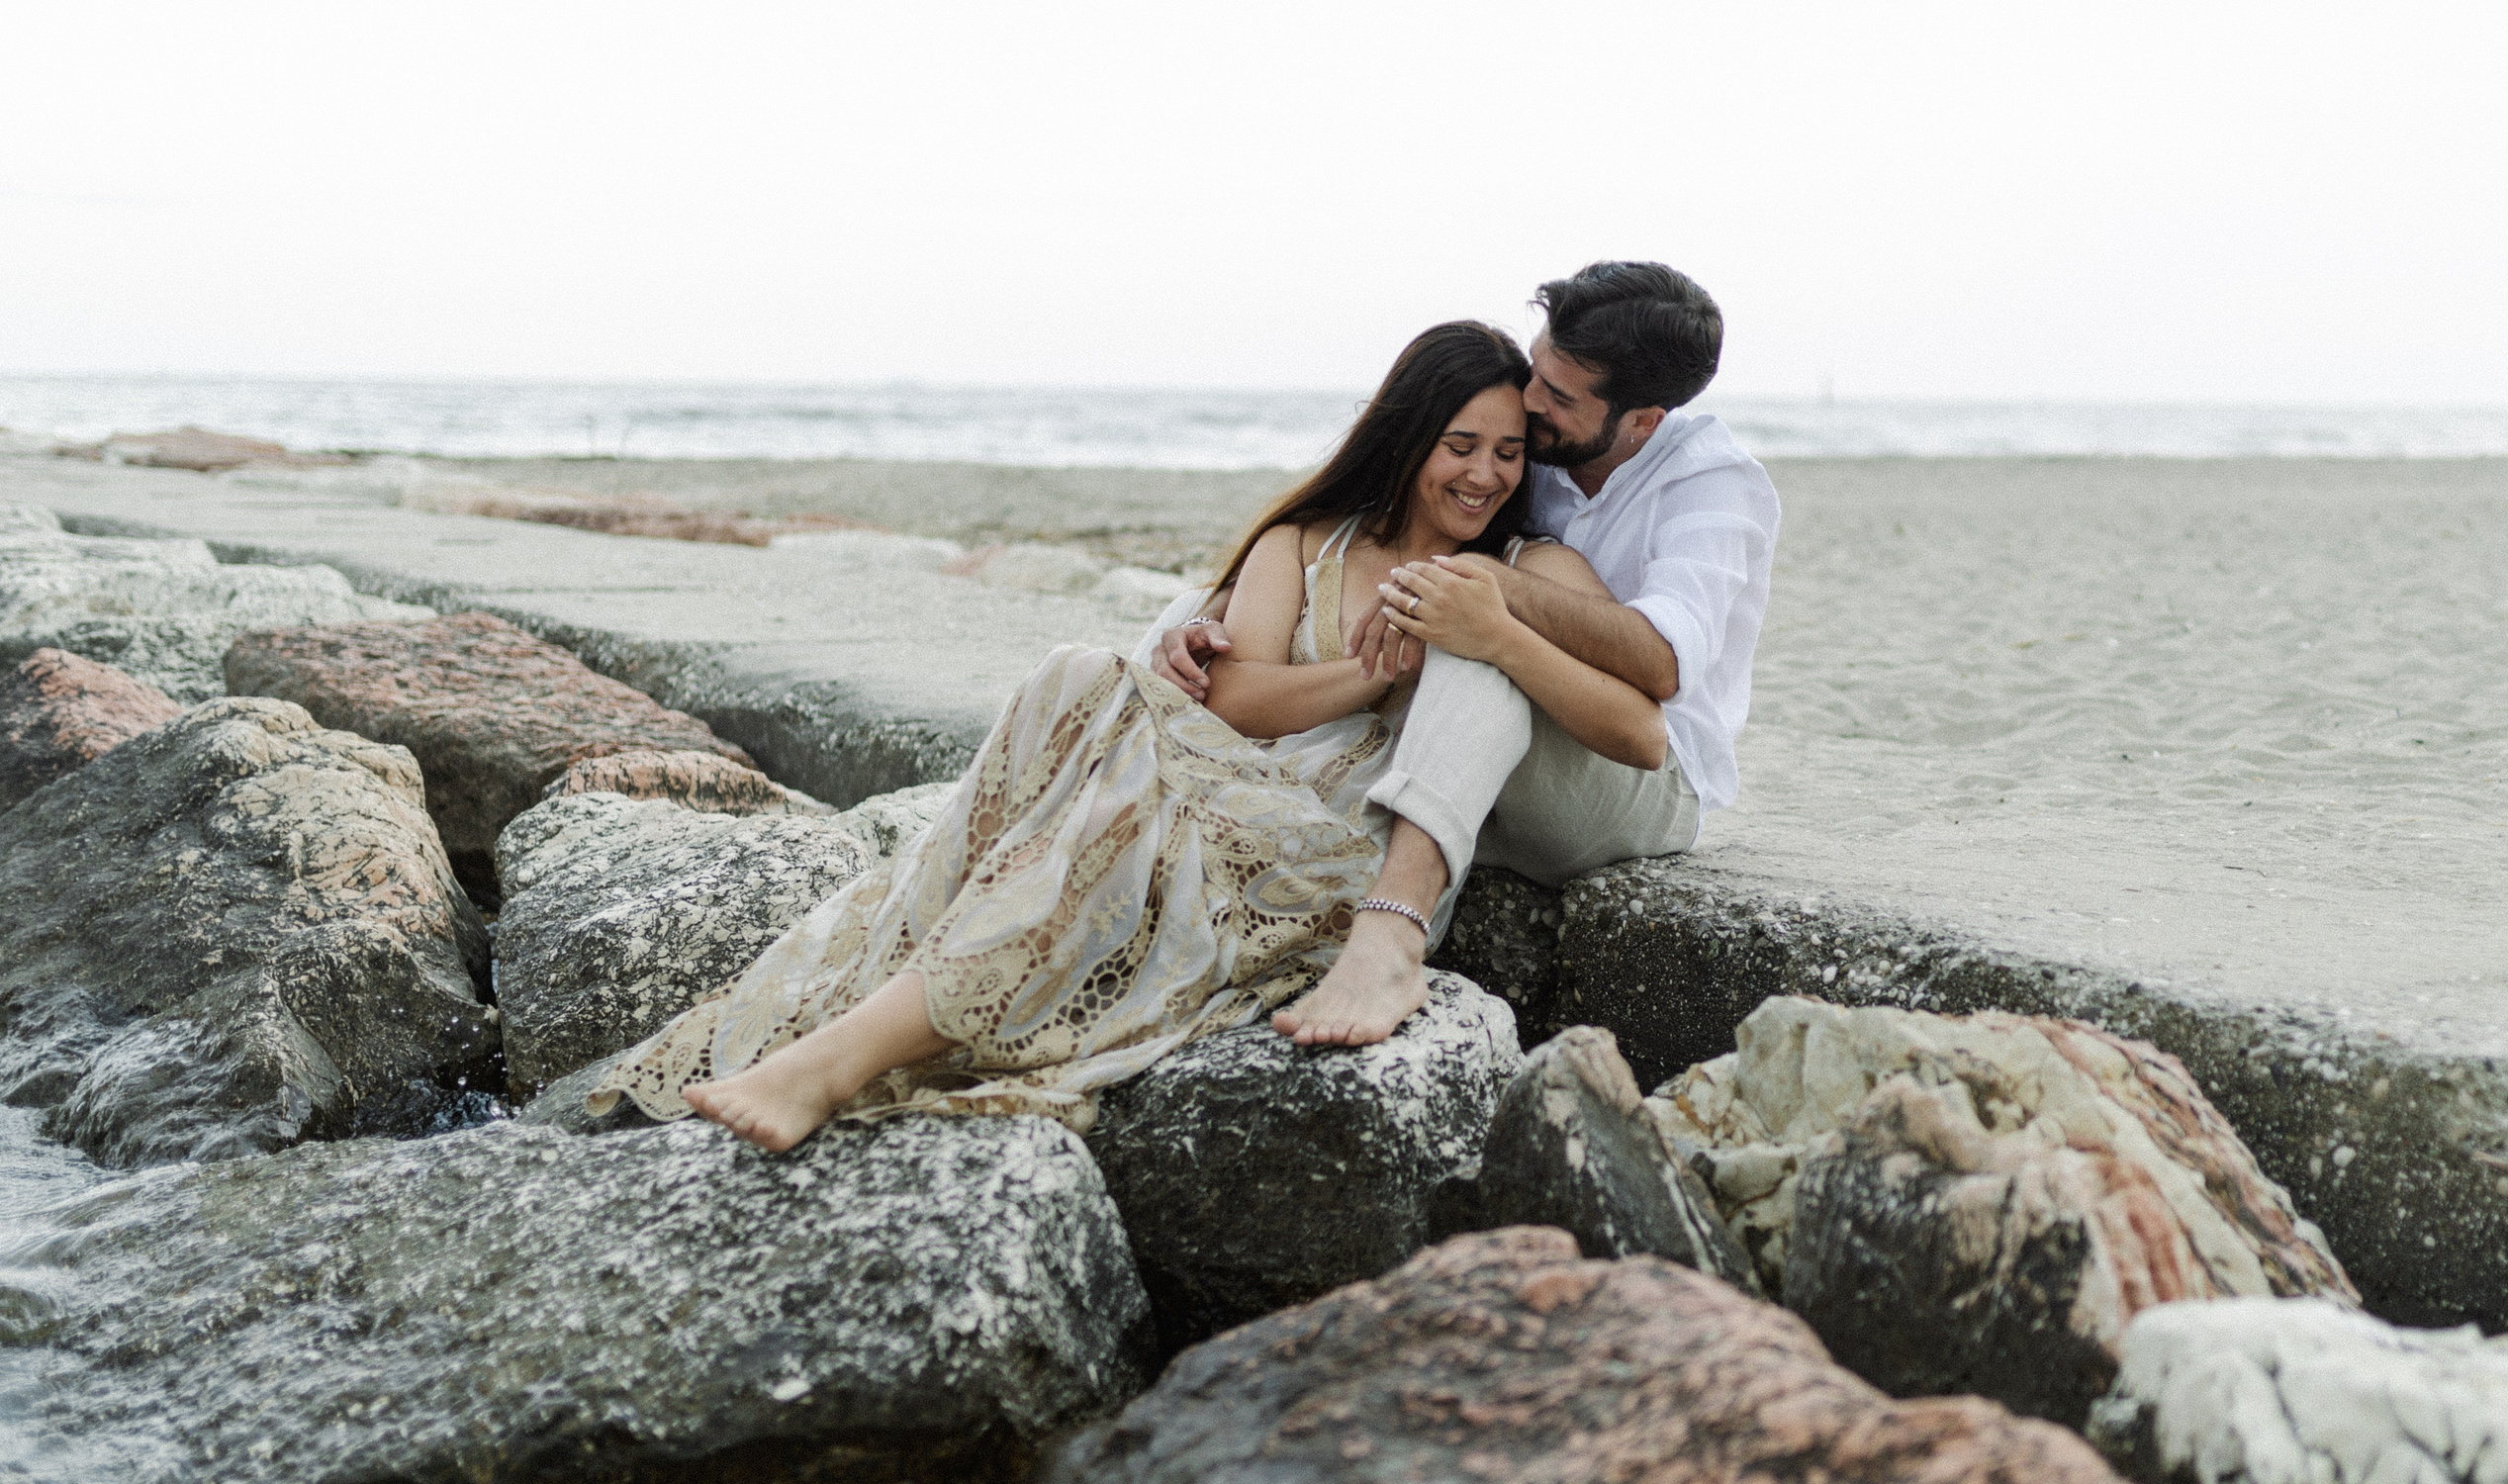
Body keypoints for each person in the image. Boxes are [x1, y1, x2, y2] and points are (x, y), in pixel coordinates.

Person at [587, 322, 1661, 1154]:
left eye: (1510, 454)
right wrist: (1384, 665)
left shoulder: (1531, 573)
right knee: (1078, 678)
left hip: (1326, 852)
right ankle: (862, 1019)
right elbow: (1235, 703)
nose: (1483, 476)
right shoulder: (1305, 544)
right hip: (1223, 784)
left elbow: (1639, 730)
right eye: (1459, 445)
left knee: (1098, 805)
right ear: (1405, 437)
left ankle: (831, 1065)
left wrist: (1489, 638)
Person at [1155, 261, 1779, 1049]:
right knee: (1184, 621)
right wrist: (1218, 611)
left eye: (1556, 395)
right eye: (1537, 367)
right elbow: (1383, 506)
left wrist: (1489, 584)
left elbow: (1658, 668)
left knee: (1474, 637)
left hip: (1631, 774)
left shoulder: (1711, 486)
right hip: (1488, 752)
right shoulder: (1534, 442)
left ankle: (1393, 936)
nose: (1531, 400)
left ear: (1641, 422)